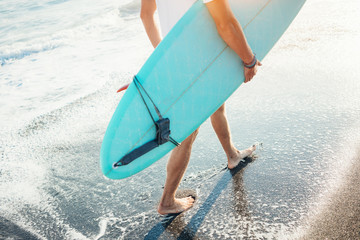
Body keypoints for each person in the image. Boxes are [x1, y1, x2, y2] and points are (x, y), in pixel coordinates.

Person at [140, 0, 261, 215]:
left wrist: (164, 56)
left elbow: (146, 15)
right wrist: (248, 58)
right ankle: (167, 201)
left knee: (217, 104)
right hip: (198, 59)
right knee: (189, 131)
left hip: (181, 61)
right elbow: (225, 23)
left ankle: (232, 155)